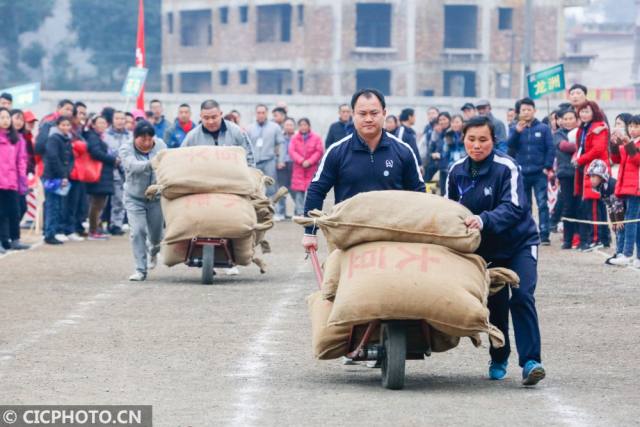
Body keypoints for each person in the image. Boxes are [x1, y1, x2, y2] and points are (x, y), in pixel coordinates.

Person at [446, 115, 545, 386]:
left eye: (483, 140)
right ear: (463, 139)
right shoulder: (456, 171)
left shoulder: (507, 167)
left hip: (519, 243)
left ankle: (531, 362)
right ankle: (499, 356)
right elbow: (448, 210)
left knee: (522, 295)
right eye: (471, 139)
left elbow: (514, 207)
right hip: (485, 250)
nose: (477, 145)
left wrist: (482, 219)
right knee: (495, 306)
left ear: (494, 141)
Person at [301, 88, 425, 251]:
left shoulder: (403, 151)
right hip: (348, 236)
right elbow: (317, 190)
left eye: (374, 113)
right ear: (353, 115)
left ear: (384, 113)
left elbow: (418, 192)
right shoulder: (337, 151)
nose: (368, 119)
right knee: (339, 277)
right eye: (362, 113)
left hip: (393, 235)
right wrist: (310, 231)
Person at [120, 121, 167, 281]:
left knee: (156, 237)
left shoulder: (160, 145)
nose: (147, 143)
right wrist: (150, 164)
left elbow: (168, 164)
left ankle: (153, 252)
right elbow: (131, 165)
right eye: (142, 140)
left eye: (149, 139)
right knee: (138, 231)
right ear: (135, 138)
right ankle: (140, 269)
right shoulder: (126, 148)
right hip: (134, 198)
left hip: (156, 198)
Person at [507, 98, 554, 245]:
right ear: (519, 112)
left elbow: (550, 149)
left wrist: (547, 166)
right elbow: (510, 146)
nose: (526, 112)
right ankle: (527, 232)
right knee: (524, 205)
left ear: (534, 111)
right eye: (523, 110)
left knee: (542, 203)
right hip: (522, 172)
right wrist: (516, 132)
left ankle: (544, 234)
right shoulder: (515, 127)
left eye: (529, 109)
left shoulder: (543, 128)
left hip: (539, 172)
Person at [574, 100, 611, 251]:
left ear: (594, 112)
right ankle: (600, 238)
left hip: (596, 170)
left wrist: (580, 159)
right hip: (590, 169)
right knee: (594, 206)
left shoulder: (598, 127)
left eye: (587, 111)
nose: (584, 114)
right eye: (582, 111)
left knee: (595, 206)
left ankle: (596, 239)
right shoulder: (584, 128)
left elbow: (598, 149)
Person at [181, 99, 255, 166]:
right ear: (201, 116)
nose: (210, 121)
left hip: (232, 179)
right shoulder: (192, 136)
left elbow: (249, 158)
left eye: (214, 117)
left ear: (220, 114)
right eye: (206, 118)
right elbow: (181, 159)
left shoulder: (237, 132)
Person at [609, 116, 640, 267]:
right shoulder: (630, 142)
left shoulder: (634, 143)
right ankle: (638, 257)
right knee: (635, 222)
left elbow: (637, 160)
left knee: (630, 220)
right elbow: (616, 159)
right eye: (631, 126)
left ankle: (627, 254)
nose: (633, 129)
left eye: (637, 126)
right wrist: (614, 144)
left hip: (636, 188)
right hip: (626, 186)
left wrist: (627, 143)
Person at [0, 107, 29, 252]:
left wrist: (22, 181)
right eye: (2, 117)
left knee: (15, 211)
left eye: (7, 117)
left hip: (11, 182)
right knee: (1, 213)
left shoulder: (16, 138)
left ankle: (15, 239)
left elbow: (20, 162)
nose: (5, 120)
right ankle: (2, 240)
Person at [42, 116, 74, 245]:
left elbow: (71, 158)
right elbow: (53, 158)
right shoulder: (54, 139)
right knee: (52, 206)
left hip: (62, 176)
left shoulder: (67, 139)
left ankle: (53, 232)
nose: (66, 127)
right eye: (63, 125)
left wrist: (67, 173)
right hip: (52, 177)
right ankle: (49, 233)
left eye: (68, 125)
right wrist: (62, 174)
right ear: (58, 125)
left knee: (59, 206)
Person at [85, 116, 118, 241]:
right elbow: (96, 152)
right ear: (93, 125)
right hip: (99, 175)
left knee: (99, 204)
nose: (103, 125)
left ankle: (97, 228)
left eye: (104, 122)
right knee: (96, 204)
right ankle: (93, 230)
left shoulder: (99, 137)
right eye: (100, 123)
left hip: (103, 175)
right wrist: (113, 160)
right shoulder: (93, 137)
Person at [554, 109, 580, 249]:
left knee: (580, 206)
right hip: (566, 174)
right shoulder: (558, 134)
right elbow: (564, 146)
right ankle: (567, 239)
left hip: (579, 173)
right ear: (561, 121)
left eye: (572, 118)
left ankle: (579, 237)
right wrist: (581, 148)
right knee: (568, 206)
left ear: (577, 120)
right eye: (566, 119)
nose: (569, 121)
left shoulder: (581, 133)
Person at [288, 118, 324, 216]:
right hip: (299, 168)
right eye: (301, 125)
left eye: (305, 125)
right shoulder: (294, 138)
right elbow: (292, 151)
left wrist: (310, 161)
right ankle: (299, 212)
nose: (303, 127)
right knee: (299, 192)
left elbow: (319, 151)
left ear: (309, 126)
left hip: (311, 168)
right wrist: (301, 160)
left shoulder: (316, 137)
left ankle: (310, 211)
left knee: (311, 190)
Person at [103, 111, 132, 235]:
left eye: (122, 118)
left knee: (119, 199)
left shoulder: (130, 135)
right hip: (108, 170)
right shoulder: (105, 135)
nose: (120, 121)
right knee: (102, 200)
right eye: (117, 118)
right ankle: (99, 224)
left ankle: (116, 224)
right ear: (112, 120)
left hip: (124, 172)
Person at [248, 104, 285, 197]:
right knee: (254, 186)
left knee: (271, 186)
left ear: (267, 113)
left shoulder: (275, 127)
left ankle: (272, 209)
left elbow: (281, 143)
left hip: (269, 161)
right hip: (255, 162)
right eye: (259, 113)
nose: (261, 115)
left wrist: (281, 160)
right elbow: (246, 146)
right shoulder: (249, 128)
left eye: (263, 113)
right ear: (255, 114)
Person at [275, 117, 296, 220]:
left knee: (295, 189)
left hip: (295, 165)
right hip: (282, 165)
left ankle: (298, 211)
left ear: (294, 126)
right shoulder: (279, 137)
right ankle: (280, 212)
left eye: (291, 125)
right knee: (282, 190)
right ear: (283, 126)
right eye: (286, 125)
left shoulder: (298, 137)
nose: (289, 127)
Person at [428, 112, 452, 194]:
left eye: (444, 119)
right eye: (440, 120)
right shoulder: (441, 133)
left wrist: (440, 155)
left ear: (449, 120)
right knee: (442, 192)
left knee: (448, 193)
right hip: (441, 167)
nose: (442, 122)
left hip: (449, 168)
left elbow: (450, 150)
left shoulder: (450, 133)